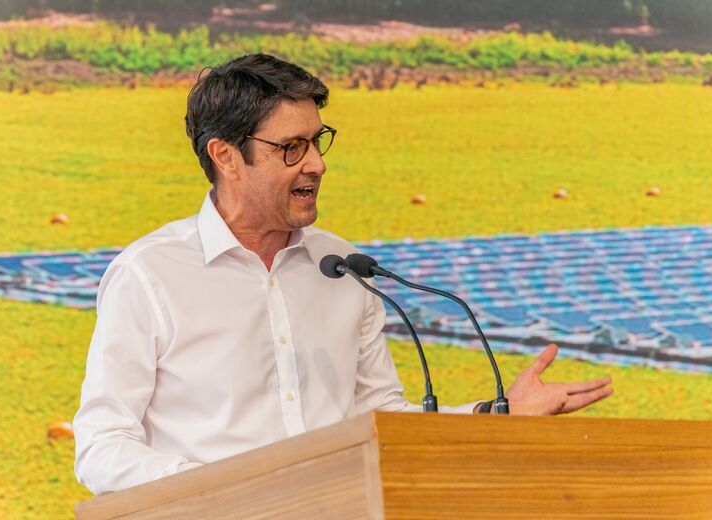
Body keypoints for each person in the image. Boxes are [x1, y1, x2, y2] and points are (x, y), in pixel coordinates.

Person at [73, 53, 613, 495]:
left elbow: (381, 417)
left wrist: (495, 417)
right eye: (291, 148)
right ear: (226, 156)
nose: (317, 164)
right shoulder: (150, 275)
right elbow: (103, 446)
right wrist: (225, 492)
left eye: (317, 140)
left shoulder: (344, 268)